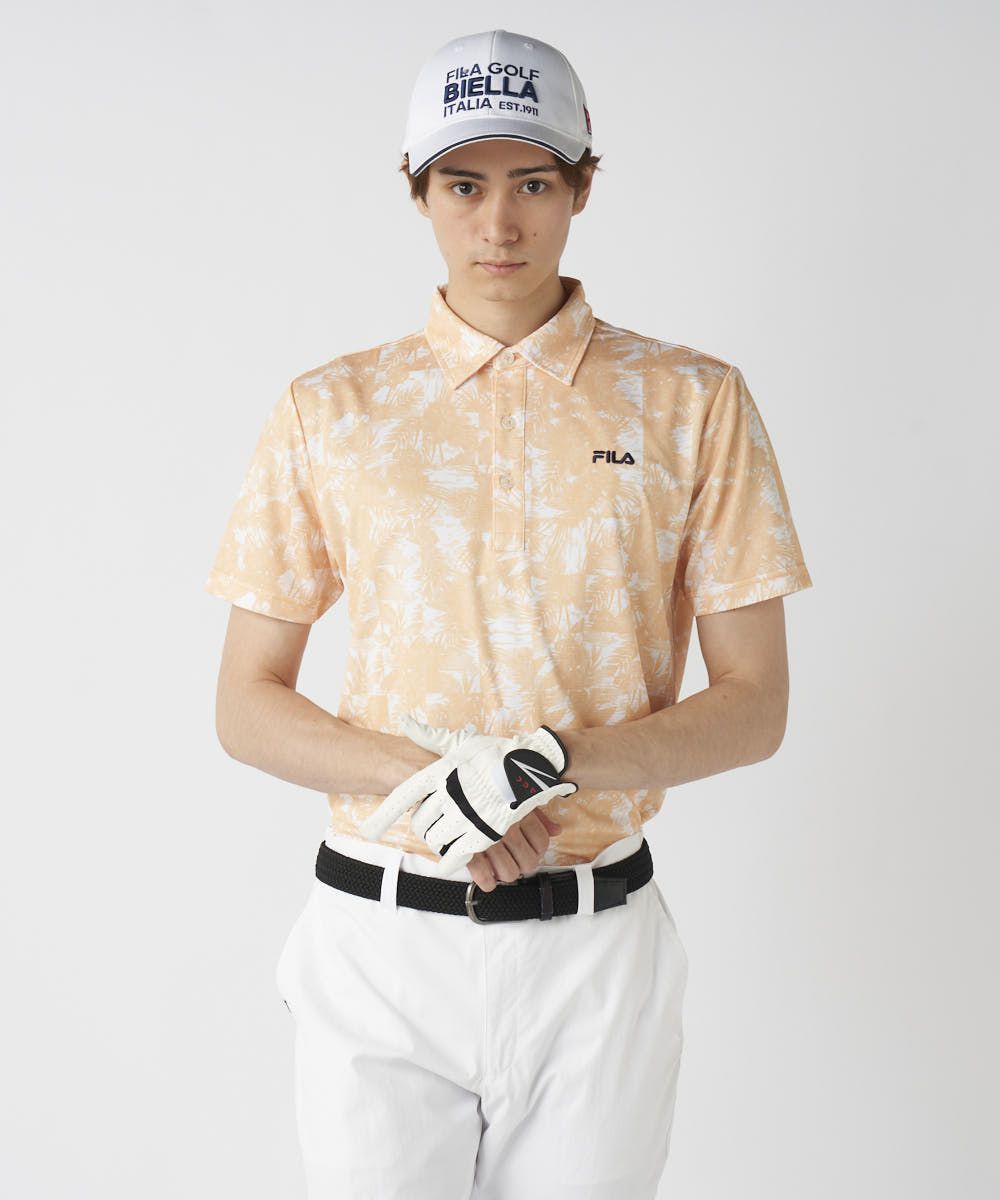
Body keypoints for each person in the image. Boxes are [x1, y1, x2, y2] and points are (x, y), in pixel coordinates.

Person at [205, 27, 813, 1200]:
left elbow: (756, 704)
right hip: (380, 947)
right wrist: (437, 789)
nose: (499, 223)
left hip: (595, 952)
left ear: (581, 186)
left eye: (532, 183)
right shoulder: (332, 408)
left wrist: (541, 766)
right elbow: (245, 701)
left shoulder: (691, 402)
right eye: (463, 185)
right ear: (418, 192)